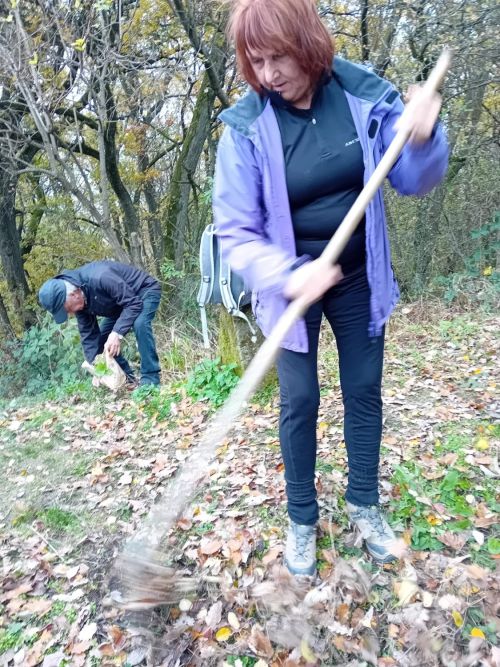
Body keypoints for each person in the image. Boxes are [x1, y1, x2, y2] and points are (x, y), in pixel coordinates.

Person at [213, 0, 448, 575]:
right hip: (289, 288)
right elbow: (236, 234)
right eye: (256, 60)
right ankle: (301, 519)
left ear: (307, 42)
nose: (268, 73)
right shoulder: (246, 129)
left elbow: (415, 180)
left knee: (363, 389)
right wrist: (291, 275)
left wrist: (421, 137)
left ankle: (364, 503)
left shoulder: (364, 94)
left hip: (360, 271)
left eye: (278, 56)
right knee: (299, 401)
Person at [39, 260, 162, 387]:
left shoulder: (101, 277)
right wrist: (97, 369)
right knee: (102, 340)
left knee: (140, 324)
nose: (70, 314)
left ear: (73, 294)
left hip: (143, 291)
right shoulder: (79, 303)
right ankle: (127, 379)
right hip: (120, 305)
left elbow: (133, 304)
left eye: (67, 309)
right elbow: (89, 338)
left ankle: (150, 379)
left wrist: (117, 333)